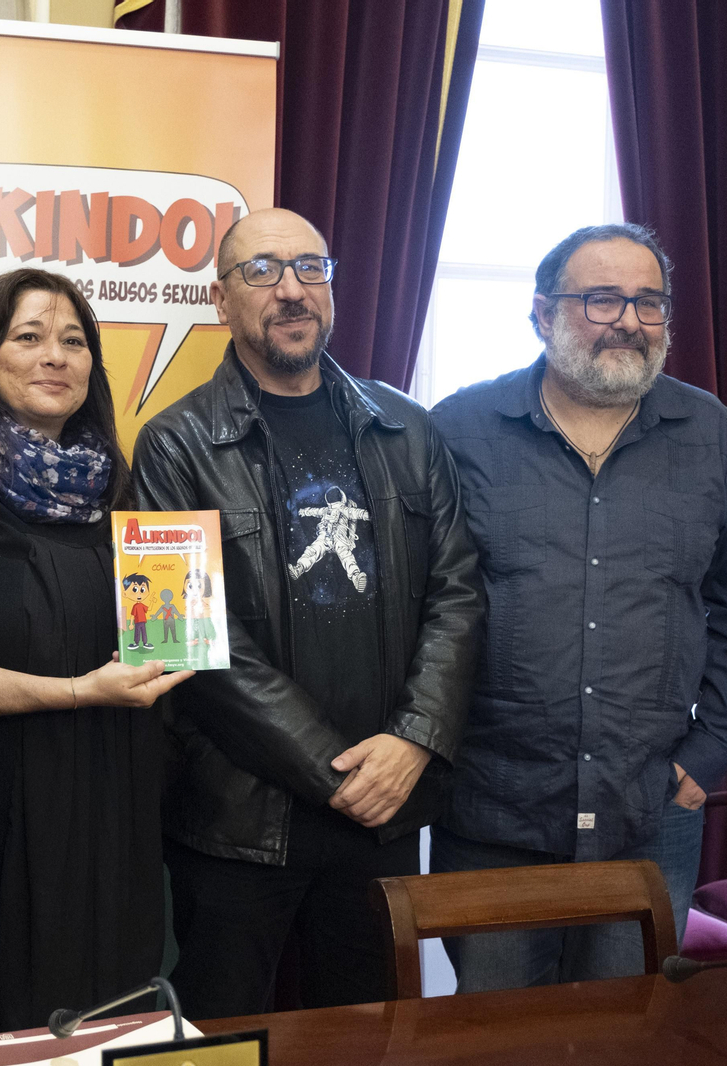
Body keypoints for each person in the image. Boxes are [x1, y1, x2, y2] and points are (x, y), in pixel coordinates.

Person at [130, 208, 484, 1019]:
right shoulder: (173, 446)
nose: (291, 290)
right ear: (221, 300)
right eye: (261, 271)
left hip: (384, 819)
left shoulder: (410, 429)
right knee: (221, 1039)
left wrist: (413, 742)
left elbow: (459, 594)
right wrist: (339, 772)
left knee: (365, 1039)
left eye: (310, 269)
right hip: (235, 825)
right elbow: (186, 639)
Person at [428, 223, 727, 991]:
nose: (629, 319)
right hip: (496, 809)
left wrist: (713, 745)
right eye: (601, 299)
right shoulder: (459, 431)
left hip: (651, 811)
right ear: (542, 313)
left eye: (649, 302)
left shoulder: (710, 435)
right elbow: (417, 603)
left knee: (632, 1034)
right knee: (492, 1039)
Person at [0, 268, 192, 1038]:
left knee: (111, 1020)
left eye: (73, 341)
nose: (54, 356)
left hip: (109, 813)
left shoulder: (121, 493)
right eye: (27, 337)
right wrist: (79, 691)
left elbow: (165, 647)